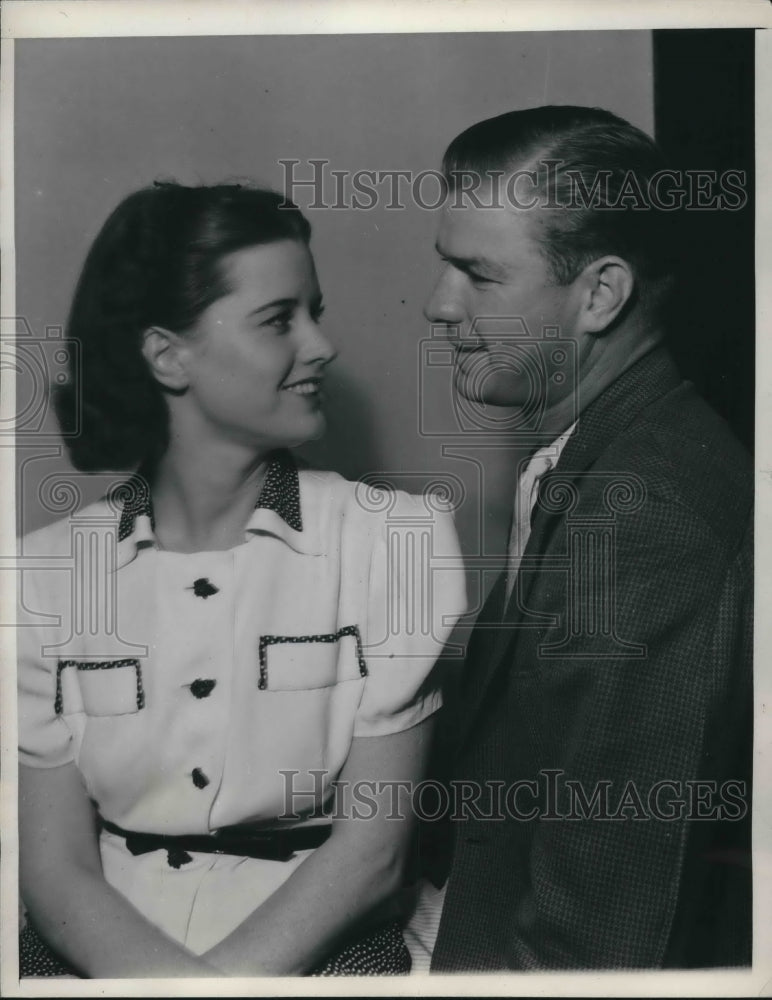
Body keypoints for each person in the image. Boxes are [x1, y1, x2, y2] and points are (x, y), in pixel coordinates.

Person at [17, 182, 466, 977]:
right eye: (278, 319)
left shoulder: (393, 540)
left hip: (321, 945)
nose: (322, 345)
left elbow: (373, 858)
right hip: (104, 951)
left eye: (314, 311)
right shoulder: (42, 575)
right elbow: (56, 875)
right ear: (167, 355)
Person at [404, 106, 752, 970]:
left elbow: (599, 921)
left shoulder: (646, 517)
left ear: (599, 294)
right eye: (444, 266)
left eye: (477, 275)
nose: (438, 307)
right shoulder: (598, 456)